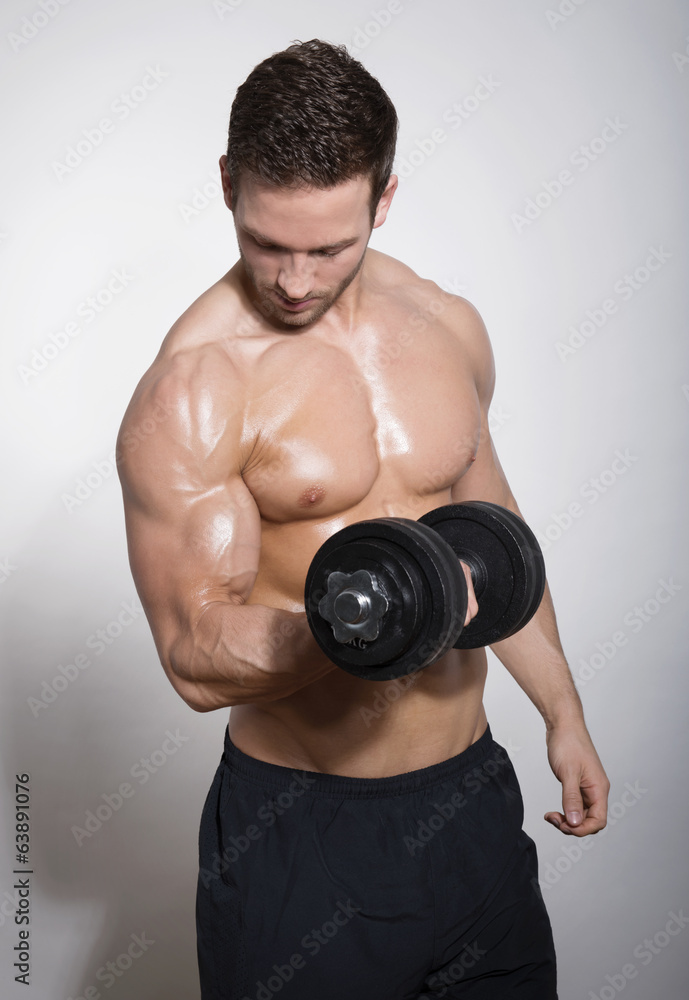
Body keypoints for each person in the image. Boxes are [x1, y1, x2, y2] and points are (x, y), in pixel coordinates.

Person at [117, 38, 609, 1000]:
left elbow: (490, 529)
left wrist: (562, 710)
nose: (295, 280)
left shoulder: (444, 325)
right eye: (267, 241)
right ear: (227, 185)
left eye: (329, 247)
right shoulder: (196, 386)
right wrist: (368, 623)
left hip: (471, 802)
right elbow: (192, 656)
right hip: (303, 838)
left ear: (383, 199)